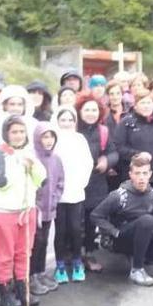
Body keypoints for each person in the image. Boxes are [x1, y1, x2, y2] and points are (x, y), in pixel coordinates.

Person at [90, 153, 153, 287]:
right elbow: (95, 215)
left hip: (144, 233)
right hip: (120, 237)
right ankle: (137, 269)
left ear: (150, 174)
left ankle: (140, 255)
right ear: (130, 175)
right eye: (137, 173)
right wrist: (113, 231)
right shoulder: (119, 195)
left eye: (145, 173)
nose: (141, 178)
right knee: (146, 221)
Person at [0, 116, 47, 306]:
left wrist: (32, 166)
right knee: (5, 253)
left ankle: (22, 286)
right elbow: (1, 183)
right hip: (6, 211)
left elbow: (41, 181)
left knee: (24, 251)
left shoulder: (29, 154)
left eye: (22, 132)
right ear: (7, 134)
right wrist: (17, 165)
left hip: (27, 210)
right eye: (14, 132)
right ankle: (4, 288)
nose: (18, 135)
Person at [75, 96, 118, 273]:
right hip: (75, 182)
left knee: (92, 219)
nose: (91, 113)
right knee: (74, 222)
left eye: (94, 110)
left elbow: (113, 152)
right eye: (87, 110)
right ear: (79, 111)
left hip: (96, 181)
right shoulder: (74, 129)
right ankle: (73, 255)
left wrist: (106, 160)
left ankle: (89, 253)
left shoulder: (103, 132)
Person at [52, 106, 94, 284]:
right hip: (57, 193)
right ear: (57, 121)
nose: (67, 123)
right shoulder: (53, 139)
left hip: (76, 190)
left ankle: (77, 262)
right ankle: (60, 265)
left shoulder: (80, 139)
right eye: (63, 120)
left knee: (76, 229)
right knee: (60, 230)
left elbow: (88, 162)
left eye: (70, 120)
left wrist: (81, 183)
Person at [28, 122, 64, 294]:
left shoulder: (56, 159)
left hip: (50, 209)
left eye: (51, 137)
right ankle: (31, 275)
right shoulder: (32, 158)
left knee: (43, 241)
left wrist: (55, 199)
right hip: (35, 210)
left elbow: (60, 182)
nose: (48, 141)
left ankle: (40, 272)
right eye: (44, 137)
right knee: (34, 242)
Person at [114, 95, 153, 192]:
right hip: (133, 178)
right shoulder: (126, 123)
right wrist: (137, 155)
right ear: (135, 106)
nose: (146, 106)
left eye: (148, 103)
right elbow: (118, 146)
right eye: (142, 103)